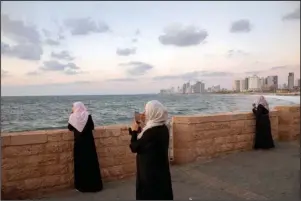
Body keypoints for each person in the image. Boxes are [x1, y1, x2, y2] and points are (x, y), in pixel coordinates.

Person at [128, 100, 173, 200]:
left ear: (153, 112)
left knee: (150, 194)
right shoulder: (163, 127)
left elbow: (134, 147)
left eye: (147, 111)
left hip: (149, 172)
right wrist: (139, 125)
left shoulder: (151, 132)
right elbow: (145, 139)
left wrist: (134, 131)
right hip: (160, 170)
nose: (144, 113)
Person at [67, 102, 103, 192]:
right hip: (89, 145)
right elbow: (92, 127)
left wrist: (72, 114)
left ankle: (81, 186)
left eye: (73, 107)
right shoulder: (88, 116)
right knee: (91, 164)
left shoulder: (73, 117)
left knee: (80, 164)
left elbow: (70, 128)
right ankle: (94, 186)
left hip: (79, 144)